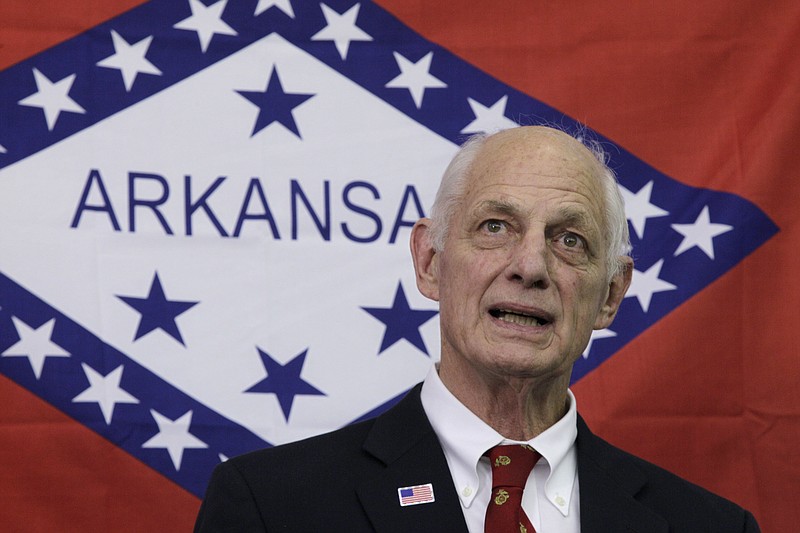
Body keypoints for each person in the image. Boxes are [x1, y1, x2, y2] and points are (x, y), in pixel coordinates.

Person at [194, 126, 760, 532]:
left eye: (569, 240)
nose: (531, 266)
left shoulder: (710, 524)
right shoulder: (272, 507)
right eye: (496, 226)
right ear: (430, 262)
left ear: (609, 295)